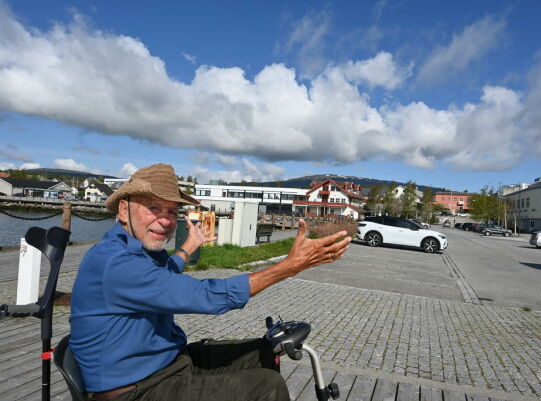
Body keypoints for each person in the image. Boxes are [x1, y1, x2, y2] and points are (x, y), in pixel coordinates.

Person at [70, 163, 350, 401]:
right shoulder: (116, 263)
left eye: (171, 211)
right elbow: (205, 295)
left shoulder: (132, 250)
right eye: (153, 207)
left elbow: (161, 276)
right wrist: (289, 267)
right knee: (268, 387)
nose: (166, 220)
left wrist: (187, 249)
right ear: (123, 210)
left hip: (168, 363)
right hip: (137, 390)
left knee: (264, 350)